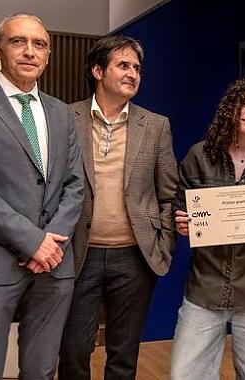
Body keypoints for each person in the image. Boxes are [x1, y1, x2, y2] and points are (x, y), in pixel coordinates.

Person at [0, 13, 84, 379]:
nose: (29, 51)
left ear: (48, 56)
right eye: (17, 41)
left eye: (39, 44)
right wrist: (33, 242)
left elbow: (75, 185)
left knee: (40, 371)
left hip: (53, 267)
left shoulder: (62, 113)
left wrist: (49, 246)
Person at [58, 35, 178, 380]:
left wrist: (163, 245)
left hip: (135, 256)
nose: (133, 74)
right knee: (74, 350)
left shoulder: (155, 125)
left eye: (136, 68)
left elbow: (169, 193)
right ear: (98, 70)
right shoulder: (66, 118)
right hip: (78, 253)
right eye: (123, 65)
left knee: (123, 353)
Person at [169, 77, 245, 380]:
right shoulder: (199, 156)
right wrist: (180, 220)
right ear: (231, 107)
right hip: (205, 287)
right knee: (184, 375)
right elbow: (176, 204)